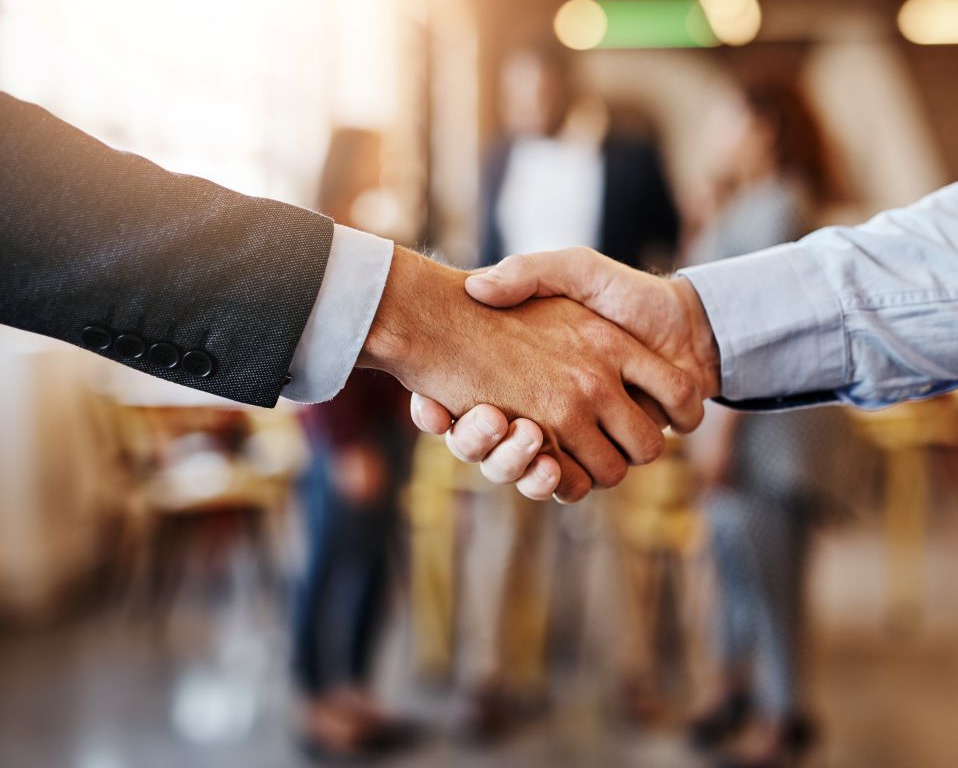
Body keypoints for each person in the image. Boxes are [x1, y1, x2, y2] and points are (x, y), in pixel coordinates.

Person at [409, 23, 958, 503]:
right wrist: (697, 325)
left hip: (722, 429)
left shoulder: (721, 187)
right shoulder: (507, 163)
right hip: (673, 392)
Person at [0, 93, 704, 505]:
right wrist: (433, 323)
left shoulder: (379, 218)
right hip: (357, 433)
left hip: (401, 424)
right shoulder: (342, 215)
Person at [451, 42, 682, 740]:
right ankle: (486, 676)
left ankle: (630, 672)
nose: (523, 106)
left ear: (563, 85)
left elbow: (667, 248)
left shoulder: (632, 154)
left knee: (611, 529)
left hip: (601, 368)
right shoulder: (497, 157)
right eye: (512, 91)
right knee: (500, 526)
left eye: (534, 90)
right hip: (505, 369)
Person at [682, 78, 852, 767]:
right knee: (735, 562)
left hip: (764, 433)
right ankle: (735, 688)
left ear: (765, 127)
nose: (718, 134)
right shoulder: (747, 204)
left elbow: (748, 334)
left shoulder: (782, 206)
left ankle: (784, 713)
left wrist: (719, 433)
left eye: (729, 120)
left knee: (772, 572)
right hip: (740, 428)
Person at [290, 130, 420, 760]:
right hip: (350, 441)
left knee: (371, 567)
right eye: (380, 155)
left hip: (383, 432)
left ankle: (355, 689)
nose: (388, 166)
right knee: (327, 566)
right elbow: (311, 352)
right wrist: (344, 444)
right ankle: (317, 701)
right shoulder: (318, 238)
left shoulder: (363, 235)